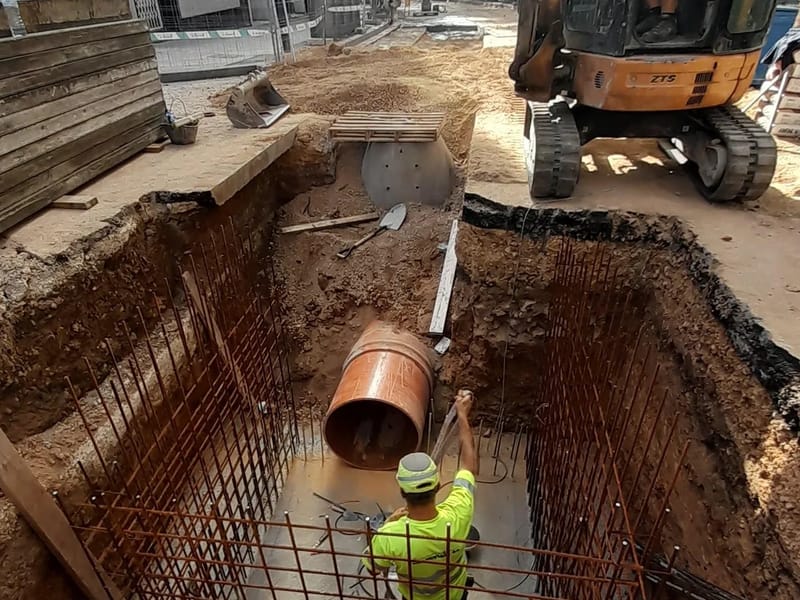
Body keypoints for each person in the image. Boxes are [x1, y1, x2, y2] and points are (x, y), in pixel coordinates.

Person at [363, 390, 478, 600]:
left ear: (402, 491)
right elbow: (469, 466)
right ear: (438, 486)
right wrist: (462, 415)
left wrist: (387, 523)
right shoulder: (458, 513)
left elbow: (373, 568)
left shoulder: (391, 535)